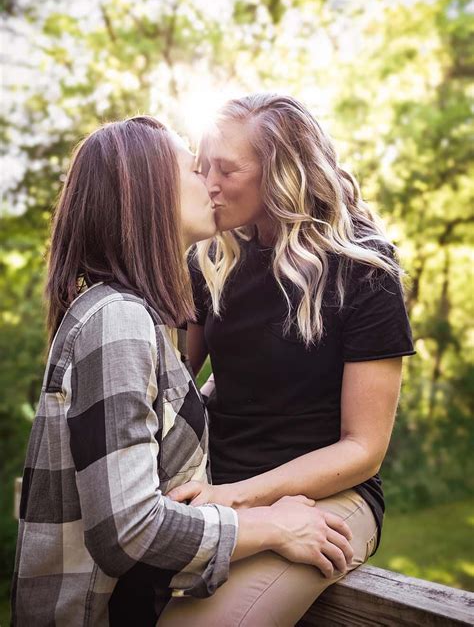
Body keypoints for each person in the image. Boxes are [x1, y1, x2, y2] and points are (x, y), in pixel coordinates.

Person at [11, 115, 354, 627]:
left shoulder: (135, 319)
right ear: (150, 194)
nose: (211, 185)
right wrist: (271, 526)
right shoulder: (118, 321)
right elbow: (128, 531)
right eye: (194, 170)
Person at [160, 93, 416, 626]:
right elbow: (176, 384)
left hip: (328, 496)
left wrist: (235, 498)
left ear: (282, 175)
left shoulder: (364, 269)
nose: (208, 183)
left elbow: (363, 448)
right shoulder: (210, 259)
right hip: (219, 487)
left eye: (227, 169)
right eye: (203, 166)